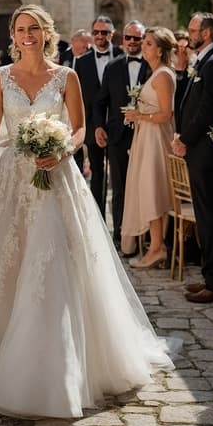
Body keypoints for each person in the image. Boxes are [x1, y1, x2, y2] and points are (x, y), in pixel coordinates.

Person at [0, 5, 175, 418]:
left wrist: (63, 149)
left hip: (56, 176)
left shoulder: (67, 76)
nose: (27, 35)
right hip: (12, 180)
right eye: (20, 29)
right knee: (6, 258)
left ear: (46, 33)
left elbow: (79, 128)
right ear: (13, 35)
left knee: (52, 259)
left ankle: (52, 356)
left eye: (34, 28)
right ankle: (0, 341)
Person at [172, 13, 213, 302]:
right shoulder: (204, 61)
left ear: (206, 34)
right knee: (205, 217)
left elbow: (207, 111)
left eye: (192, 29)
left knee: (212, 217)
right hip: (199, 152)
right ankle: (211, 275)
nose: (188, 34)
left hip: (207, 154)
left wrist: (185, 139)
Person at [121, 27, 177, 268]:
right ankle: (156, 246)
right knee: (149, 189)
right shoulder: (155, 74)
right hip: (147, 137)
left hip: (156, 140)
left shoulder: (163, 75)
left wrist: (139, 116)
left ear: (161, 50)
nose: (143, 46)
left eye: (149, 43)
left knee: (152, 190)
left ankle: (156, 248)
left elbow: (166, 114)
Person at [93, 20, 150, 254]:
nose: (132, 42)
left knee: (145, 186)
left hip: (147, 134)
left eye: (137, 38)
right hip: (117, 136)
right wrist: (99, 126)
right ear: (123, 39)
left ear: (144, 40)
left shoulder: (153, 65)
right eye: (129, 37)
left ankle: (147, 237)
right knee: (119, 188)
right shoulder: (113, 67)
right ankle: (120, 235)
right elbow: (100, 102)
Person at [74, 15, 123, 216]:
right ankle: (98, 219)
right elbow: (79, 97)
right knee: (96, 174)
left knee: (119, 176)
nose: (100, 36)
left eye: (104, 32)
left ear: (112, 34)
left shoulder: (122, 56)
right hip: (93, 126)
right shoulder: (81, 62)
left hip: (119, 125)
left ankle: (120, 223)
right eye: (96, 32)